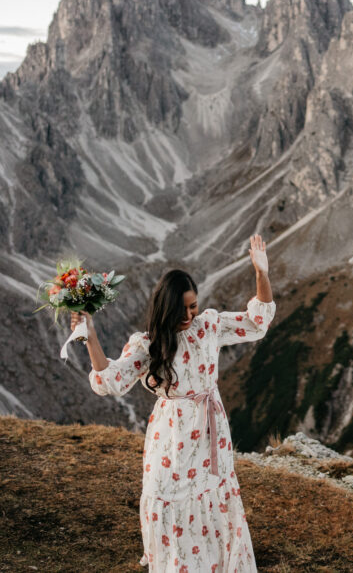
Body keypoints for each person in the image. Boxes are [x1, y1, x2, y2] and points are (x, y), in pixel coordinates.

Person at [71, 234, 275, 572]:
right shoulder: (147, 344)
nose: (189, 314)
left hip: (211, 431)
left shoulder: (208, 325)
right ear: (166, 307)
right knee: (168, 495)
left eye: (193, 306)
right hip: (172, 436)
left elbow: (257, 322)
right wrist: (90, 335)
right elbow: (109, 381)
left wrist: (261, 274)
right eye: (182, 308)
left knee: (212, 493)